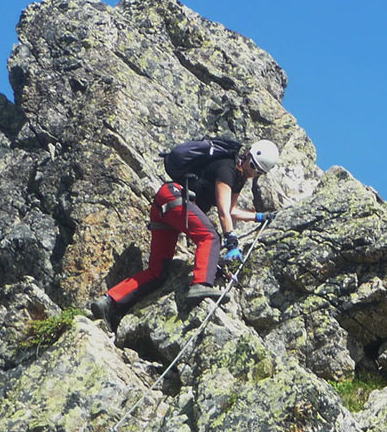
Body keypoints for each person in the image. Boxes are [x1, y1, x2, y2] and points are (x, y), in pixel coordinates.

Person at [89, 138, 280, 330]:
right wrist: (231, 240)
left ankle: (108, 301)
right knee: (211, 237)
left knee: (158, 272)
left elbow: (230, 210)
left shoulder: (238, 179)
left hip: (166, 203)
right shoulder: (227, 168)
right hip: (176, 199)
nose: (253, 172)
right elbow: (223, 212)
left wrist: (258, 217)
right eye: (253, 166)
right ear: (247, 155)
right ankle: (201, 284)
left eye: (259, 172)